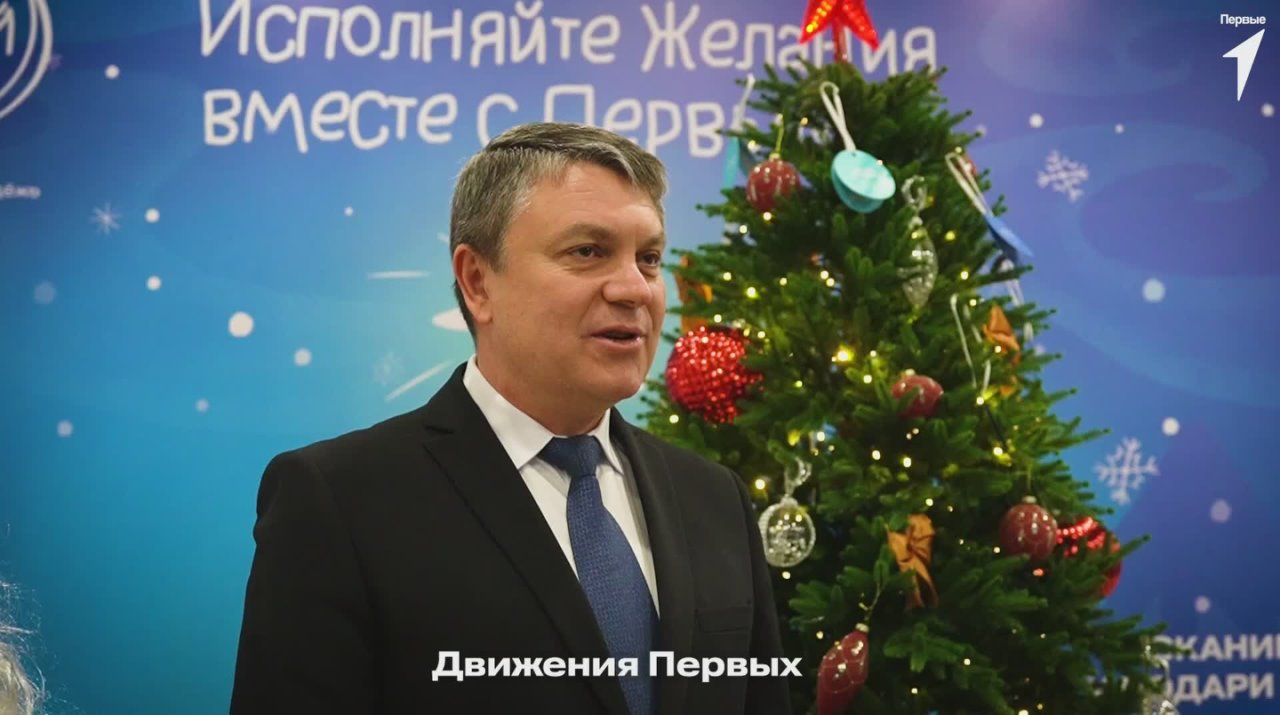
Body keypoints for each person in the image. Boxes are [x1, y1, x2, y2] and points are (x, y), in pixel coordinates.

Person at [230, 122, 791, 715]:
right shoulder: (338, 500)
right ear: (477, 282)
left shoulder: (714, 498)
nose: (635, 289)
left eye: (648, 258)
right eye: (588, 251)